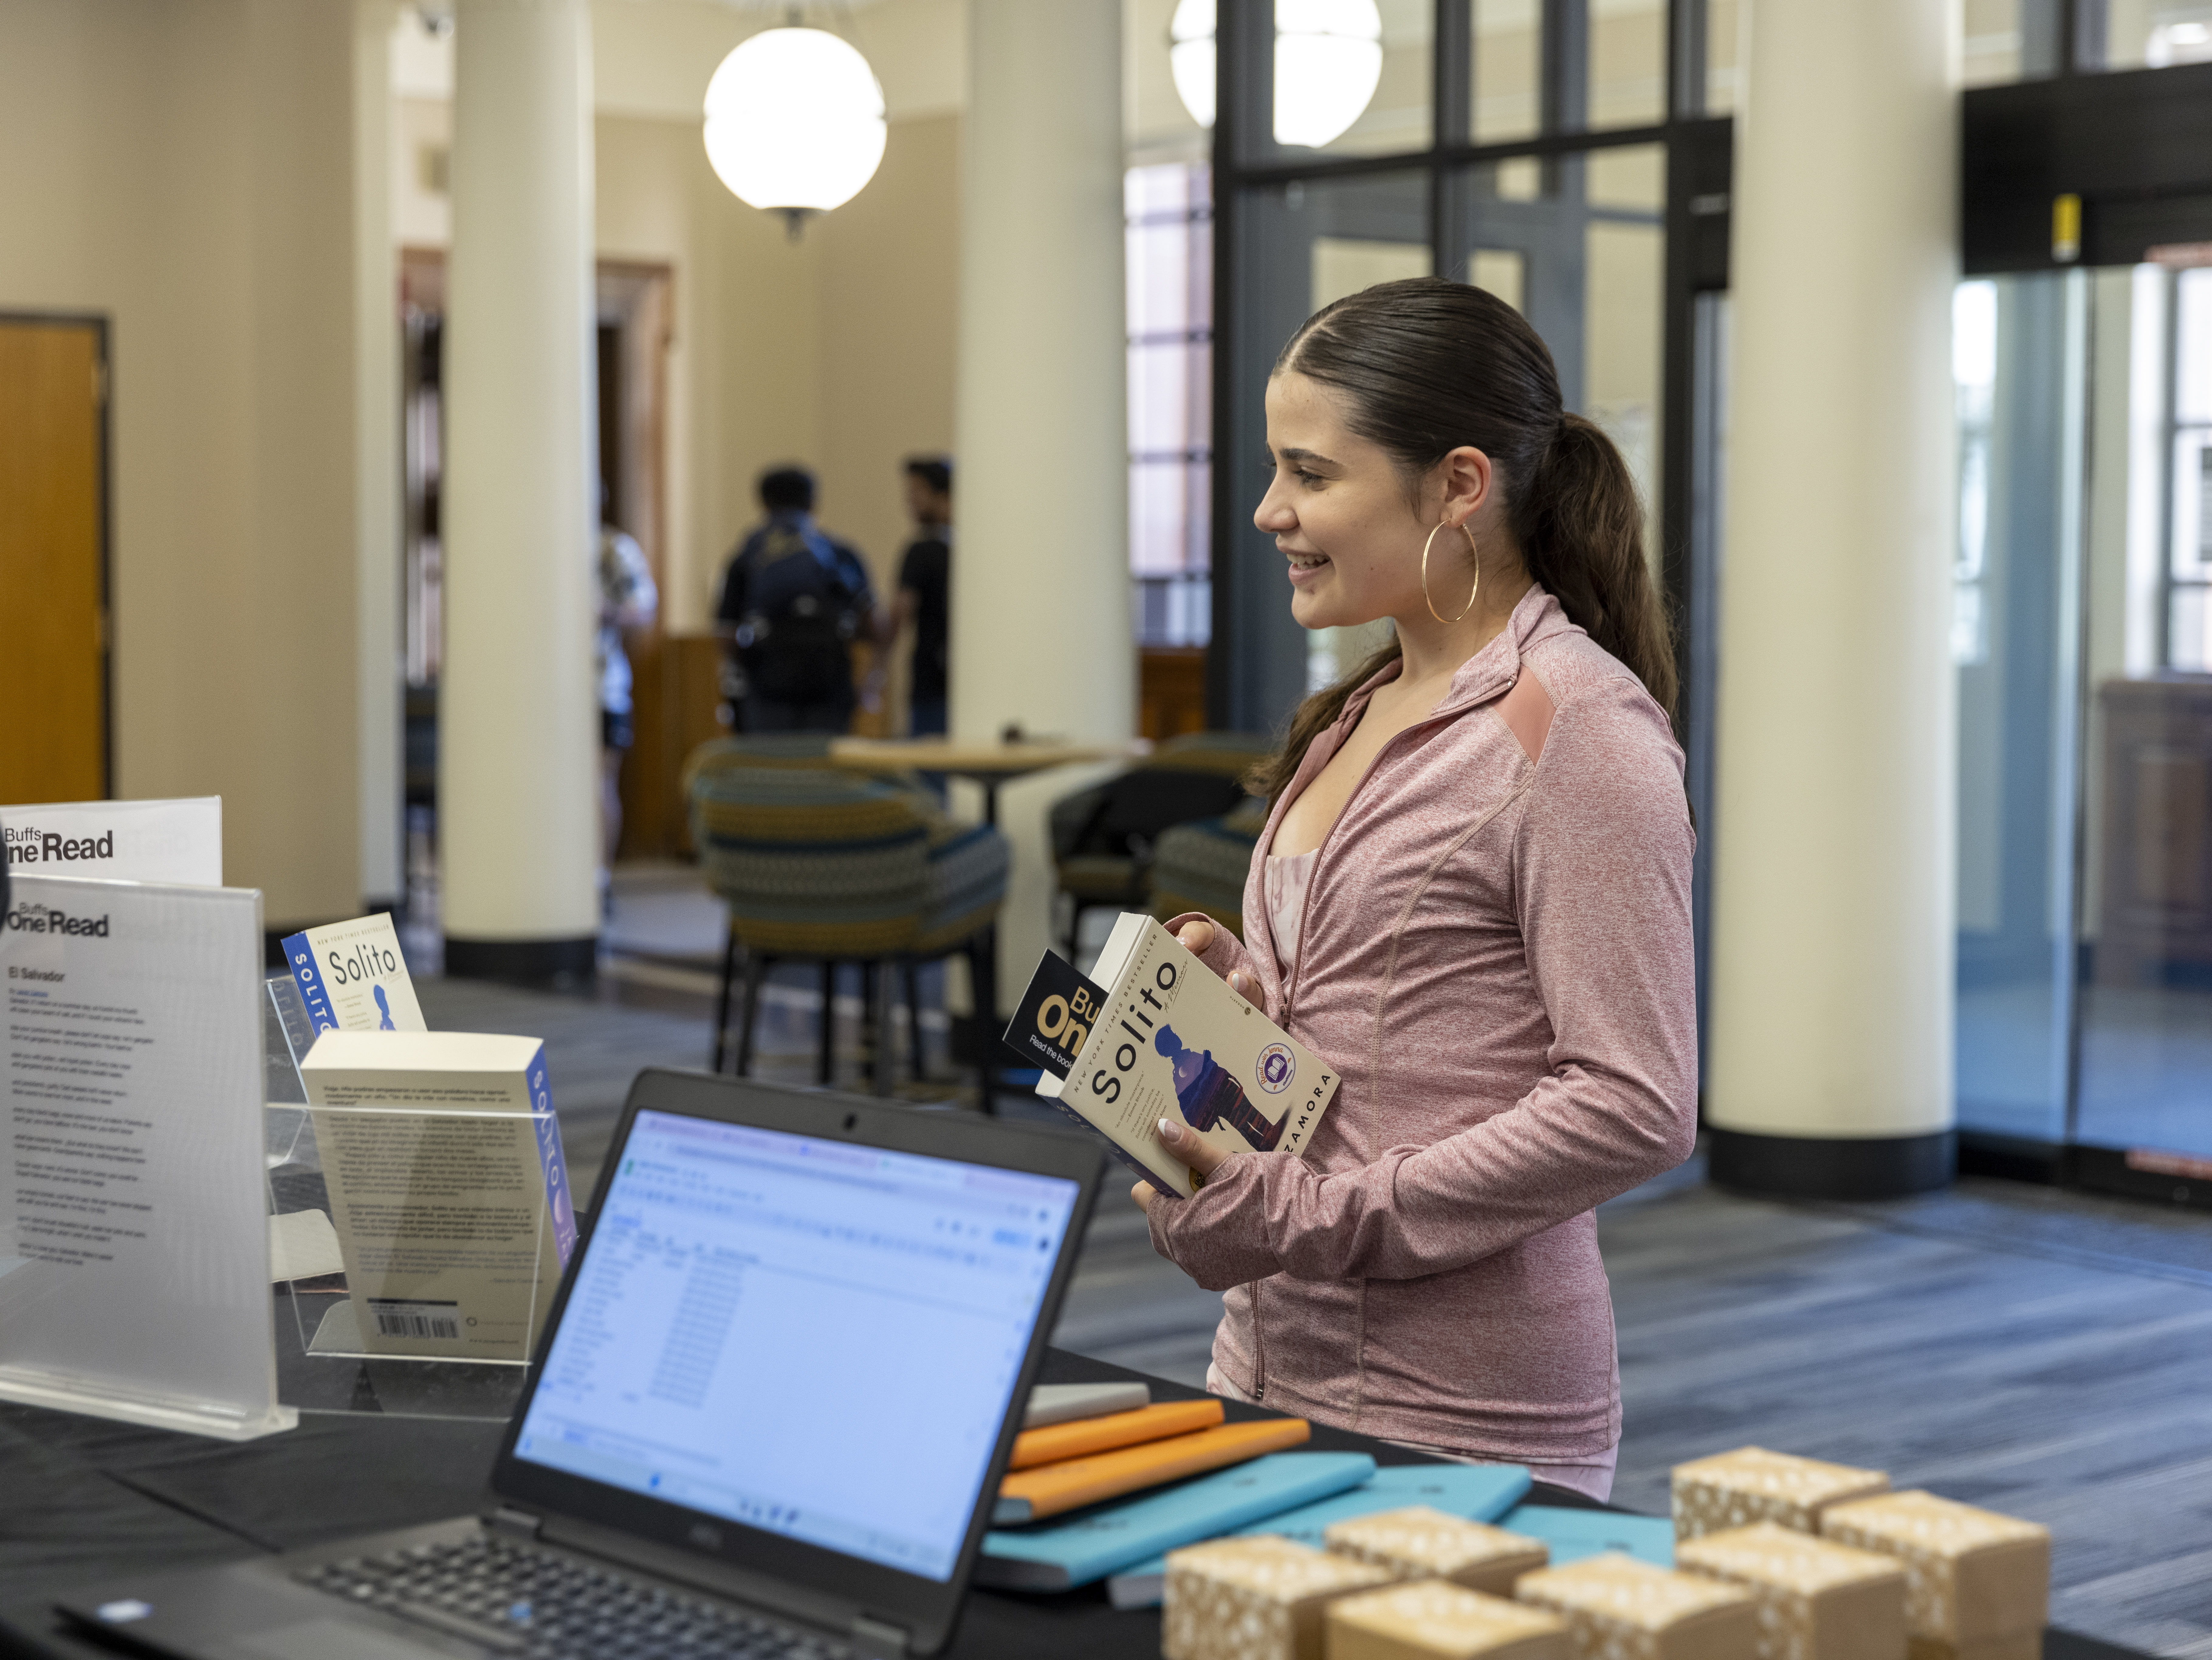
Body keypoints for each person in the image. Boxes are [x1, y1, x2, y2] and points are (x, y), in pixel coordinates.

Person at [1130, 277, 1696, 1502]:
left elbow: (1635, 1101)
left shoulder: (1577, 729)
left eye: (1309, 473)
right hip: (1268, 1352)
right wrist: (1248, 996)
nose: (1266, 510)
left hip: (1457, 1411)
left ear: (1455, 485)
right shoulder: (1363, 704)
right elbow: (1389, 1018)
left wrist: (1314, 1218)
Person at [715, 466, 887, 733]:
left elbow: (726, 634)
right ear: (813, 503)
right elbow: (875, 625)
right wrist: (870, 682)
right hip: (830, 688)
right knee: (825, 767)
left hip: (767, 690)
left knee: (771, 769)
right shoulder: (840, 554)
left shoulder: (747, 558)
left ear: (764, 503)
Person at [596, 507, 657, 906]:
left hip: (601, 687)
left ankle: (598, 879)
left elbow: (643, 610)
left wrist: (603, 614)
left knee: (600, 781)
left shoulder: (612, 550)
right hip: (540, 695)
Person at [892, 456, 953, 736]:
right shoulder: (977, 549)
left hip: (931, 682)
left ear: (944, 495)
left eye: (917, 492)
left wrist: (876, 668)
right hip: (967, 679)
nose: (910, 501)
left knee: (929, 770)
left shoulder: (921, 551)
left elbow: (900, 612)